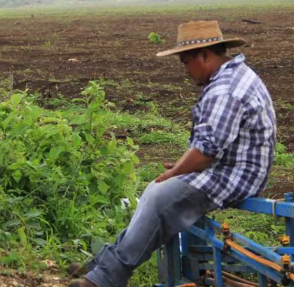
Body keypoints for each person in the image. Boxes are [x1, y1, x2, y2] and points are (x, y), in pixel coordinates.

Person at [69, 20, 276, 287]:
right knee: (153, 195)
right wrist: (180, 167)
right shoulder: (232, 75)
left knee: (159, 197)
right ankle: (104, 265)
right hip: (228, 165)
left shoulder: (226, 89)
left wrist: (176, 171)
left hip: (236, 175)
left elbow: (206, 152)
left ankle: (106, 278)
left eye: (186, 61)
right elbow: (210, 145)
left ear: (205, 55)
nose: (185, 70)